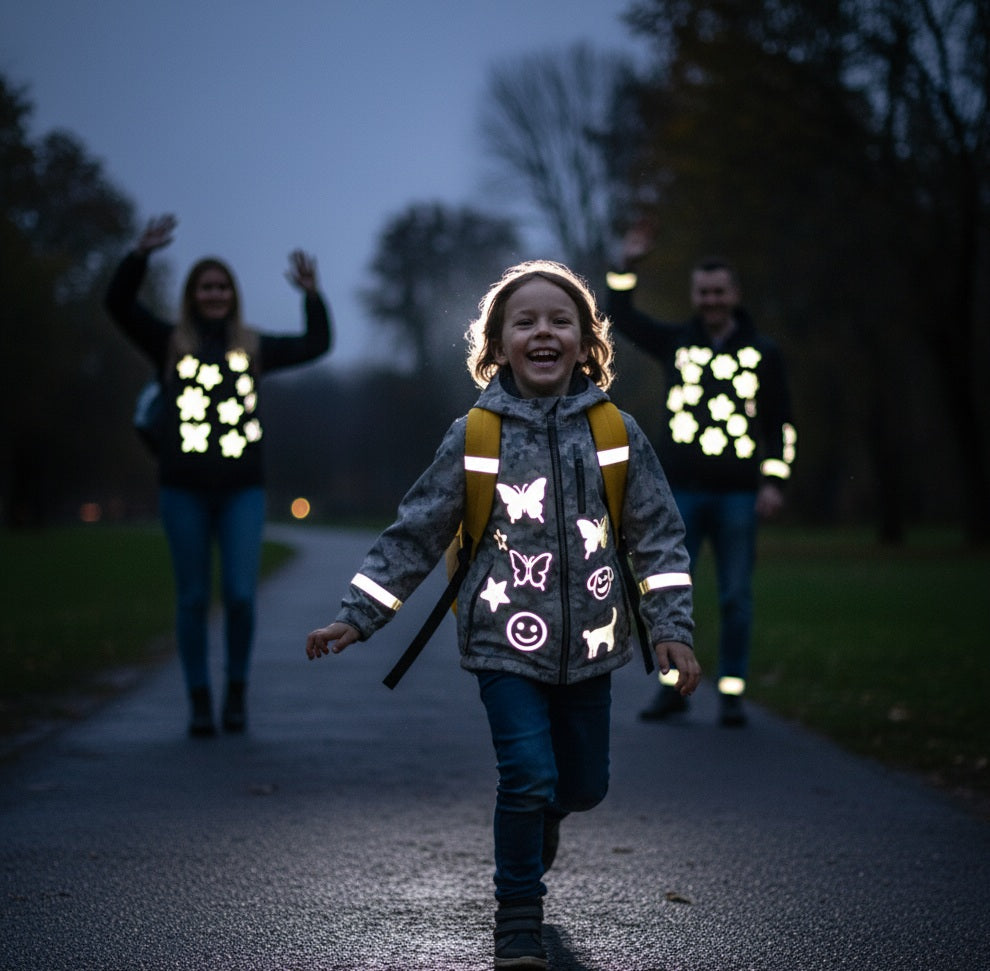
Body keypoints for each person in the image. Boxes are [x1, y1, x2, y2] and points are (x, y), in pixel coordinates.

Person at [306, 260, 699, 970]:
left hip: (595, 644)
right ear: (496, 344)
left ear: (586, 343)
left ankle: (545, 816)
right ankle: (517, 914)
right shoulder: (475, 435)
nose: (542, 331)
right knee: (524, 772)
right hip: (501, 644)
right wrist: (356, 615)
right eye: (525, 321)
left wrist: (671, 628)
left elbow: (658, 535)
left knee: (582, 786)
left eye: (560, 320)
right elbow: (416, 532)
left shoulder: (616, 431)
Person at [106, 214, 333, 737]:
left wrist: (312, 294)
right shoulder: (168, 342)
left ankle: (235, 692)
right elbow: (118, 305)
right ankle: (199, 700)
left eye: (222, 287)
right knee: (190, 598)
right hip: (181, 489)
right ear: (193, 294)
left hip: (241, 492)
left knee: (238, 595)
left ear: (233, 295)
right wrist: (138, 255)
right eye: (206, 287)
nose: (214, 294)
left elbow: (315, 344)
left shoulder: (250, 346)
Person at [605, 227, 796, 727]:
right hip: (680, 494)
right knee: (669, 592)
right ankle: (674, 690)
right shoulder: (677, 343)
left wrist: (774, 481)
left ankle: (732, 692)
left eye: (719, 291)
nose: (712, 300)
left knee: (735, 594)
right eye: (704, 292)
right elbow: (621, 317)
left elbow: (781, 423)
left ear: (733, 295)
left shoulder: (763, 352)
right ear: (695, 296)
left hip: (738, 494)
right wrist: (625, 267)